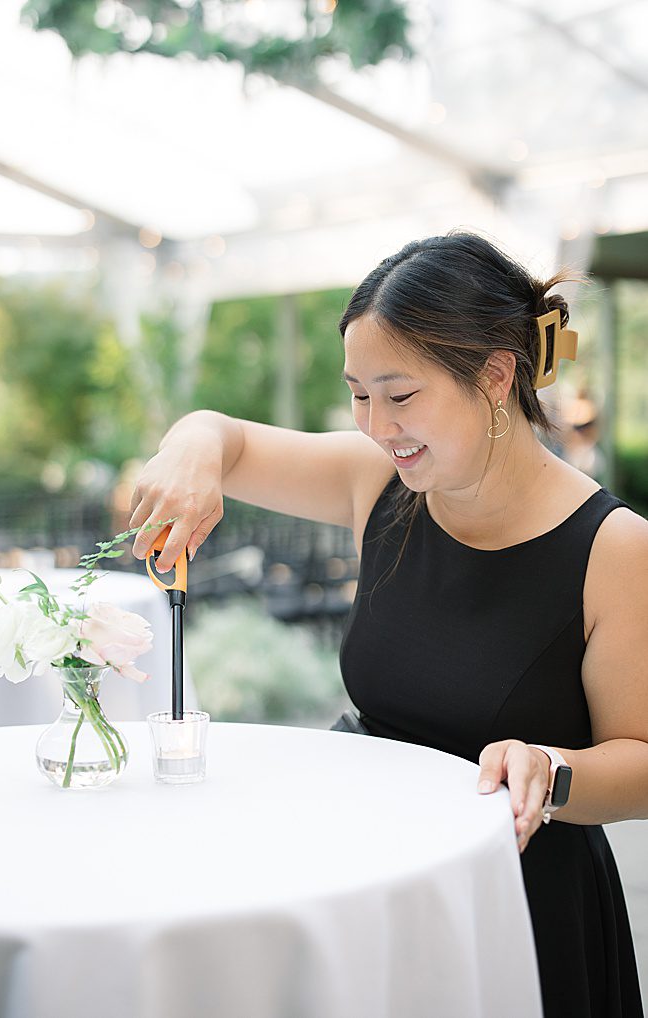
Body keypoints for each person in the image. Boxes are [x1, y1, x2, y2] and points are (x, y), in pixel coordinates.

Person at [127, 231, 648, 1018]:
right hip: (366, 881)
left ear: (497, 375)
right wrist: (192, 444)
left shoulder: (614, 548)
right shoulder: (379, 482)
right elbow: (223, 441)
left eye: (400, 396)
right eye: (357, 393)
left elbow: (641, 763)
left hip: (512, 906)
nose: (374, 425)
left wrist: (551, 770)